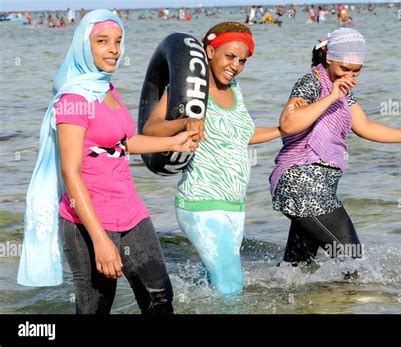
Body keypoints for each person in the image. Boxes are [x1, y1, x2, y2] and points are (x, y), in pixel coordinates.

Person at [17, 9, 198, 314]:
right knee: (94, 309)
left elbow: (123, 143)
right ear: (83, 46)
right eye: (102, 41)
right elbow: (70, 173)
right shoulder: (74, 99)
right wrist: (100, 240)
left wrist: (172, 142)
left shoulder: (105, 88)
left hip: (131, 212)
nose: (114, 49)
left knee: (159, 299)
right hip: (87, 223)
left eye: (118, 41)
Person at [270, 28, 401, 268]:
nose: (349, 76)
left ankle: (278, 300)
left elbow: (364, 126)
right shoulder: (310, 82)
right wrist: (331, 97)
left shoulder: (342, 90)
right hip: (302, 184)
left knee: (296, 271)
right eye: (344, 69)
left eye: (356, 71)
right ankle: (356, 302)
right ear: (329, 58)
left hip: (320, 186)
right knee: (354, 262)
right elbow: (288, 123)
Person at [143, 22, 284, 295]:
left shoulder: (236, 89)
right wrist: (185, 121)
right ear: (210, 51)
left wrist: (282, 130)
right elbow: (151, 128)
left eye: (242, 61)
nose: (236, 66)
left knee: (215, 285)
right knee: (231, 285)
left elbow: (243, 133)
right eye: (230, 57)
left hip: (234, 205)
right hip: (201, 203)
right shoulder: (190, 90)